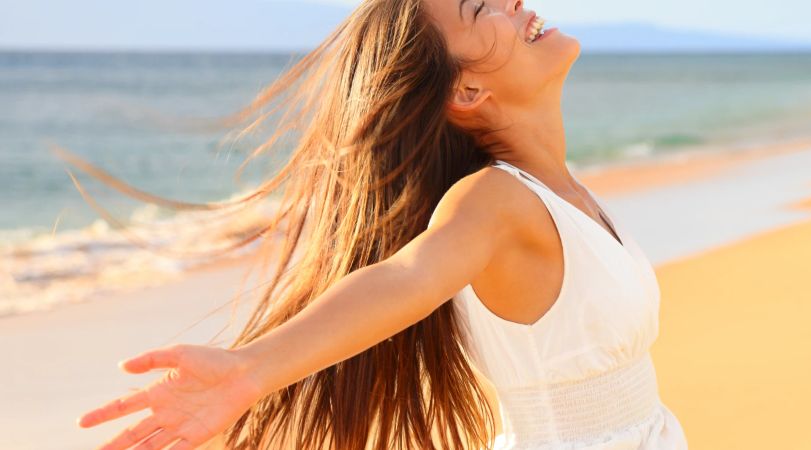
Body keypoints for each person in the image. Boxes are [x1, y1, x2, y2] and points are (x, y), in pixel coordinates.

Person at [75, 0, 689, 448]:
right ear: (468, 89)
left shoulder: (563, 191)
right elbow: (407, 276)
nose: (512, 2)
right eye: (481, 9)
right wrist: (252, 368)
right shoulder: (494, 202)